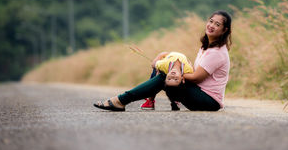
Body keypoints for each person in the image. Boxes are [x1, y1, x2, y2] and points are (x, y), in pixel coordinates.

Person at [93, 10, 232, 112]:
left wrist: (175, 73)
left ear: (224, 30)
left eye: (217, 24)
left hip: (208, 101)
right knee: (168, 69)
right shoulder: (206, 47)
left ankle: (122, 100)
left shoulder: (217, 52)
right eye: (211, 21)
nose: (211, 25)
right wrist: (170, 62)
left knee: (167, 75)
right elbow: (195, 72)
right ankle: (145, 100)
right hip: (199, 94)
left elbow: (196, 78)